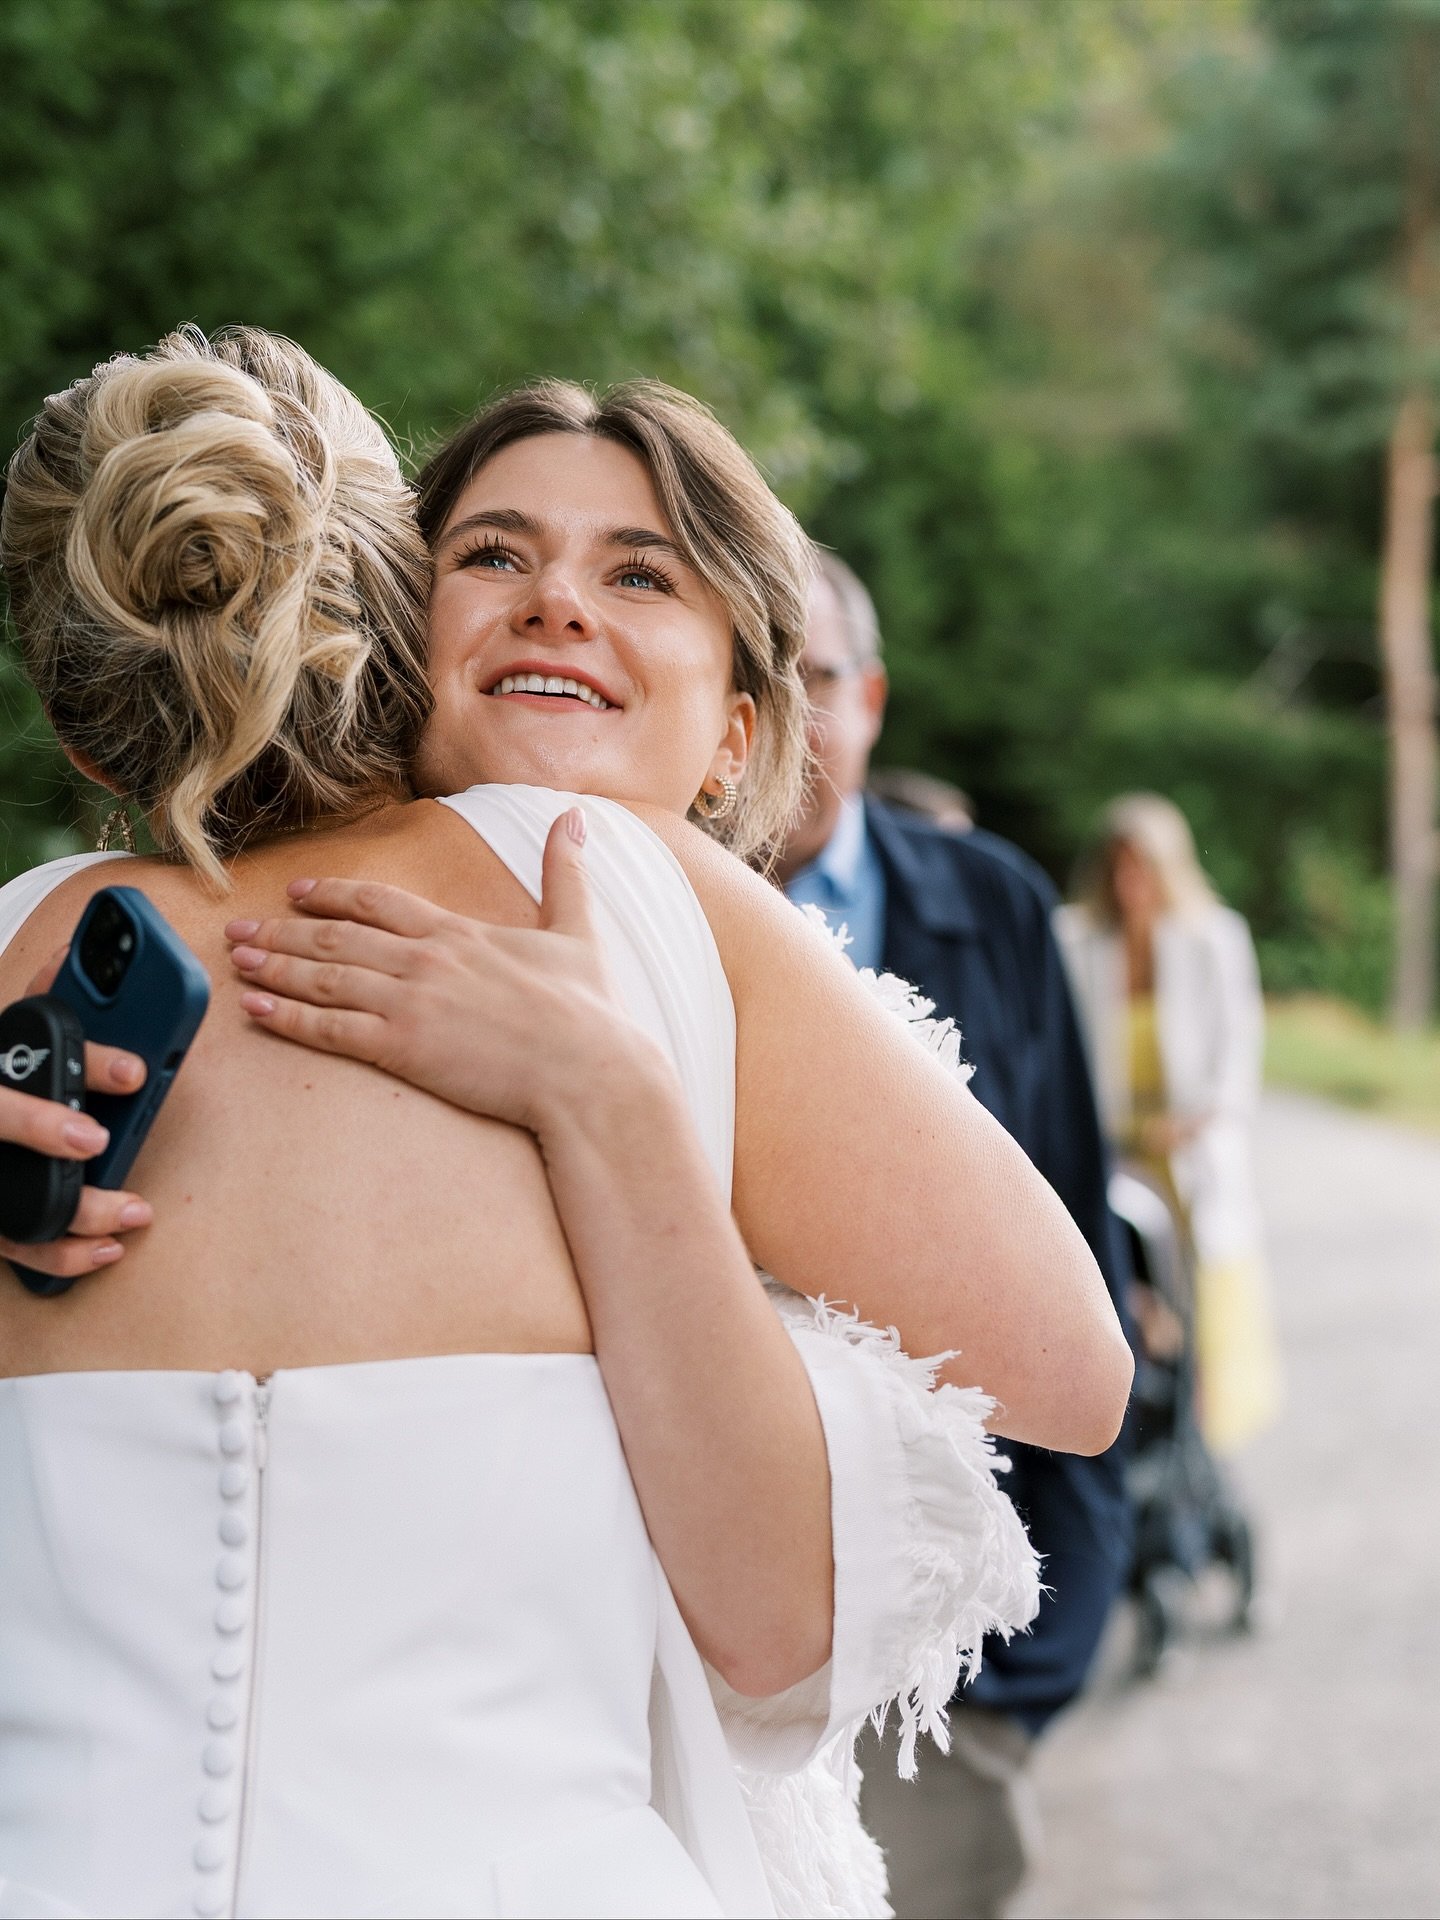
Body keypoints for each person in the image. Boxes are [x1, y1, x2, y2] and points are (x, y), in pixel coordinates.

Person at [0, 328, 1128, 1919]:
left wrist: (608, 1098)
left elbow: (1070, 1377)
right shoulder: (659, 903)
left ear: (749, 725)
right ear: (394, 614)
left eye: (643, 576)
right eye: (491, 553)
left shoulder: (26, 934)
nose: (557, 604)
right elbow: (1060, 1380)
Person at [778, 551, 1134, 1920]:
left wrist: (1037, 1673)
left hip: (951, 1668)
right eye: (761, 676)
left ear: (869, 697)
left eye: (816, 678)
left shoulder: (993, 902)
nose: (791, 717)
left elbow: (1083, 1238)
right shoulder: (637, 906)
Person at [1056, 792, 1282, 1456]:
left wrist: (1196, 1123)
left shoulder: (1212, 937)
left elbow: (1237, 1052)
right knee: (1121, 1283)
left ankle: (1199, 1429)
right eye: (1120, 867)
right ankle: (1133, 1410)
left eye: (1144, 868)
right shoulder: (1076, 939)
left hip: (1189, 1151)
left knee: (1203, 1285)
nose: (1131, 884)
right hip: (1110, 1151)